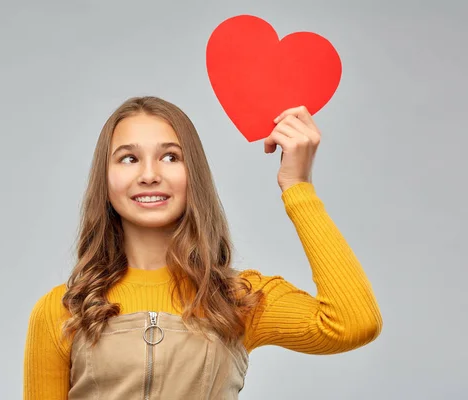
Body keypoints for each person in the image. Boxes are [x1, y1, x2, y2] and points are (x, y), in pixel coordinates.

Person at [23, 96, 382, 399]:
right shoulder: (62, 311)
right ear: (105, 179)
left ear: (193, 174)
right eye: (129, 158)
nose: (149, 174)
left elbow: (354, 323)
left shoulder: (239, 300)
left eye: (170, 157)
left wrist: (297, 186)